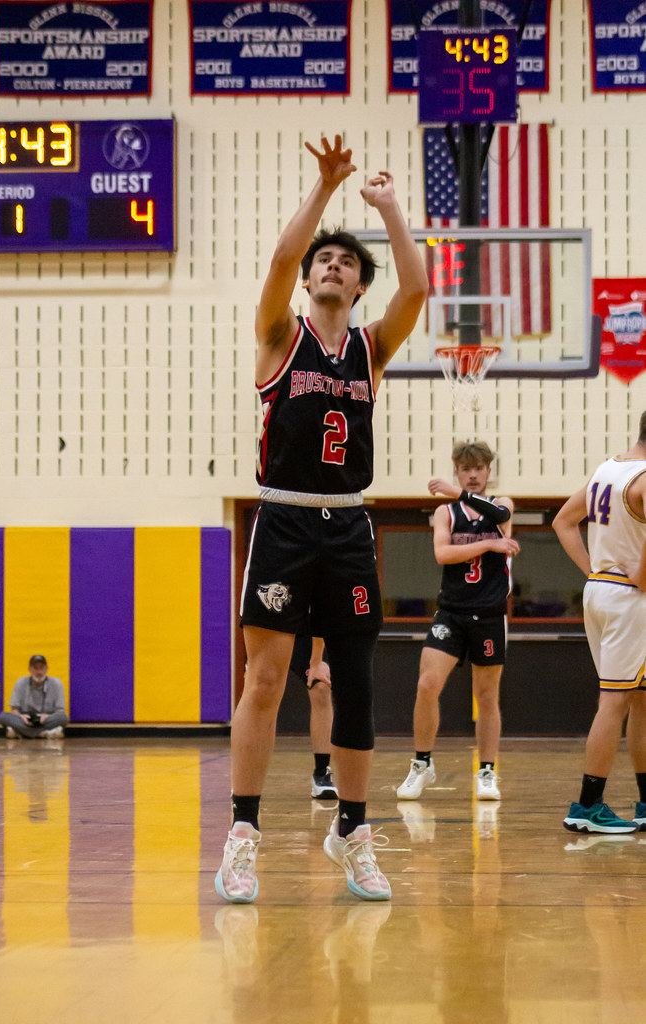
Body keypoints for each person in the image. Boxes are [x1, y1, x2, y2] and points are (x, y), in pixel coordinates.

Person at [215, 133, 428, 904]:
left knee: (356, 684)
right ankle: (243, 834)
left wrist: (391, 208)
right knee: (267, 680)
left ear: (358, 288)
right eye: (324, 260)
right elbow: (279, 261)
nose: (332, 265)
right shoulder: (281, 337)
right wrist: (327, 189)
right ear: (309, 280)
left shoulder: (370, 350)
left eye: (346, 263)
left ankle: (353, 831)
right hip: (283, 521)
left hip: (348, 525)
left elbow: (416, 290)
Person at [396, 442, 520, 803]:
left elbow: (499, 518)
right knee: (426, 685)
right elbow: (442, 553)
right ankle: (422, 764)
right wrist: (488, 547)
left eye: (479, 468)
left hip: (490, 614)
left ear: (488, 471)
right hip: (451, 612)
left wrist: (460, 495)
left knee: (487, 696)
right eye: (466, 468)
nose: (473, 474)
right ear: (457, 470)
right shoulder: (445, 512)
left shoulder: (503, 504)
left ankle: (486, 771)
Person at [552, 412, 646, 834]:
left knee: (639, 698)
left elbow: (563, 521)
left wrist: (593, 570)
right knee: (615, 700)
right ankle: (587, 805)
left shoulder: (607, 470)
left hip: (602, 591)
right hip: (631, 599)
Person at [289, 635, 338, 799]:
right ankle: (246, 784)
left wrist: (316, 659)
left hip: (308, 629)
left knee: (321, 687)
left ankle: (322, 773)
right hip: (272, 621)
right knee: (260, 690)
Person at [0, 655, 68, 739]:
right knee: (3, 716)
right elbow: (15, 709)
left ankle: (21, 732)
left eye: (41, 668)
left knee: (63, 718)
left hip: (46, 719)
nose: (39, 672)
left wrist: (48, 716)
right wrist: (21, 716)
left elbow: (60, 711)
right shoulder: (20, 682)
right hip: (25, 720)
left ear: (46, 669)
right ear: (29, 669)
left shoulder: (57, 683)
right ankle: (45, 733)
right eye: (35, 668)